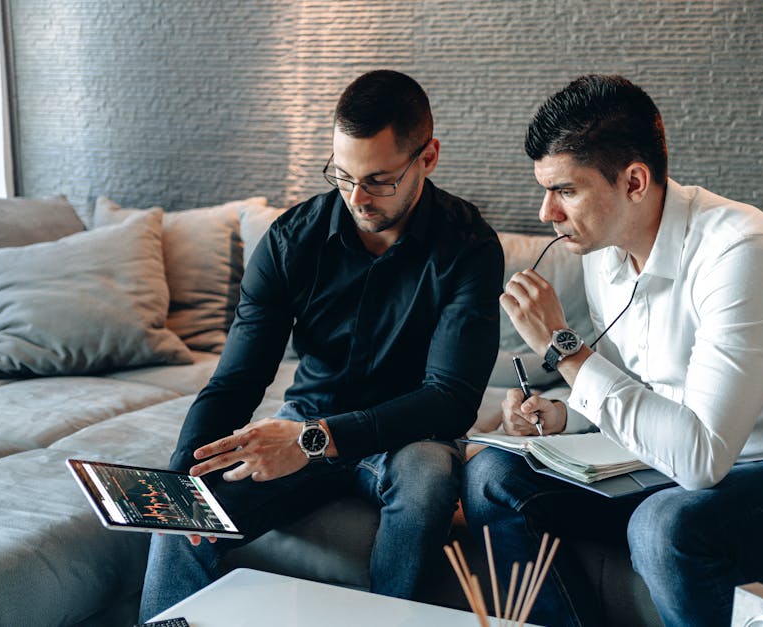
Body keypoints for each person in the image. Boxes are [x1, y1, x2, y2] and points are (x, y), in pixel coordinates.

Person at [462, 74, 763, 627]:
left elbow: (701, 457)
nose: (545, 213)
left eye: (565, 190)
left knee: (662, 526)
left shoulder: (741, 254)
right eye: (546, 190)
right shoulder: (602, 254)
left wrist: (565, 348)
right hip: (670, 468)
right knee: (492, 478)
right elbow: (638, 384)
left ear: (634, 181)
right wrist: (563, 412)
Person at [139, 70, 503, 620]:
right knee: (183, 517)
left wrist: (315, 439)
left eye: (380, 180)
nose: (357, 198)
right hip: (307, 416)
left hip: (411, 433)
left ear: (427, 157)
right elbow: (237, 381)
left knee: (428, 480)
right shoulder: (290, 242)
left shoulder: (469, 247)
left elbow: (450, 398)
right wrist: (185, 477)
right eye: (343, 174)